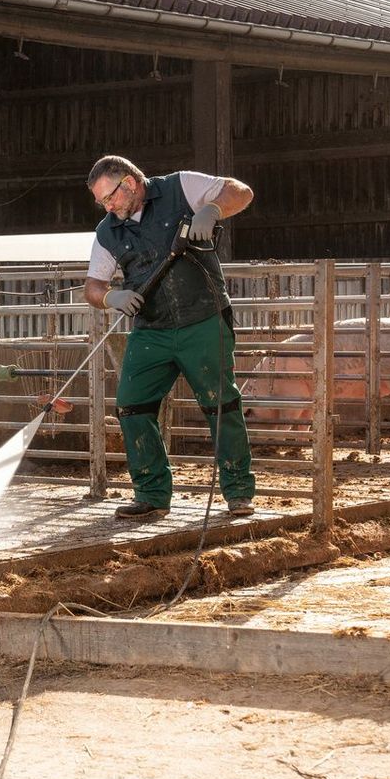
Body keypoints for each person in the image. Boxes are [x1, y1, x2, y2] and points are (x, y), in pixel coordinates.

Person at [82, 155, 257, 520]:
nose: (107, 207)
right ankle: (152, 493)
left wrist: (210, 210)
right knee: (131, 403)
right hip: (152, 328)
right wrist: (111, 297)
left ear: (129, 183)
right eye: (102, 202)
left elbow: (240, 192)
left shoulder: (181, 186)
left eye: (109, 197)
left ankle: (238, 492)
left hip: (203, 318)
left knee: (219, 402)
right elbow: (93, 286)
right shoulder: (107, 231)